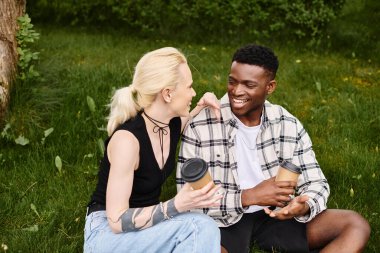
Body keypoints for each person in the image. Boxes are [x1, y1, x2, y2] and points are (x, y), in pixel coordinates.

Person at [177, 44, 371, 253]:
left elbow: (316, 182)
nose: (236, 91)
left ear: (270, 87)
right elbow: (189, 200)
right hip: (222, 219)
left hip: (274, 216)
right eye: (232, 82)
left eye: (248, 85)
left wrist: (302, 206)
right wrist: (249, 196)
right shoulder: (201, 124)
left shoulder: (287, 123)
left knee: (355, 225)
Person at [84, 47, 224, 253]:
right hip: (107, 233)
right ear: (167, 93)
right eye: (189, 87)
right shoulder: (128, 141)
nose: (193, 93)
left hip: (146, 229)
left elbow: (188, 118)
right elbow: (116, 220)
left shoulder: (171, 123)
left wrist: (203, 103)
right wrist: (176, 205)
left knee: (205, 234)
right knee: (198, 227)